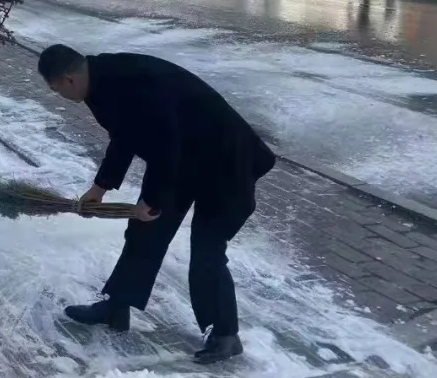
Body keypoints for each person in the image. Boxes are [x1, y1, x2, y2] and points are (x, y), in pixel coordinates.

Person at [37, 45, 276, 365]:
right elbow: (124, 137)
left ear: (68, 80)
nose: (58, 96)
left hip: (226, 164)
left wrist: (149, 202)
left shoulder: (130, 84)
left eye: (55, 90)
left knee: (207, 249)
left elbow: (165, 145)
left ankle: (225, 336)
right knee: (143, 232)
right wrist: (100, 187)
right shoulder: (98, 83)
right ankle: (115, 307)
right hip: (187, 159)